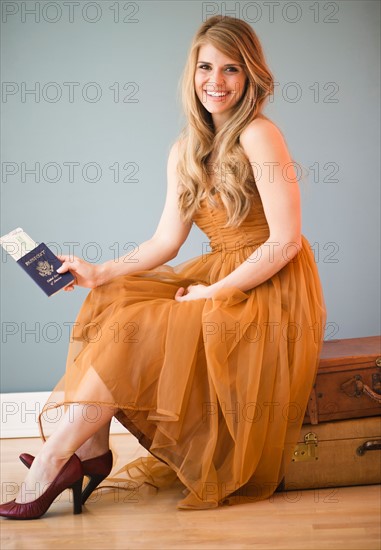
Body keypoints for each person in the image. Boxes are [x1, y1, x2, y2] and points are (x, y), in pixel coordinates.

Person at [0, 15, 326, 518]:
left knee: (146, 322)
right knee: (111, 299)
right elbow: (165, 241)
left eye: (231, 69)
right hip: (219, 272)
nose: (215, 81)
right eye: (205, 67)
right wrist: (100, 270)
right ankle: (85, 451)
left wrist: (212, 294)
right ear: (191, 73)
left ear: (251, 77)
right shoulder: (185, 150)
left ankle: (53, 460)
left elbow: (283, 243)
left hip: (270, 282)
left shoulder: (261, 135)